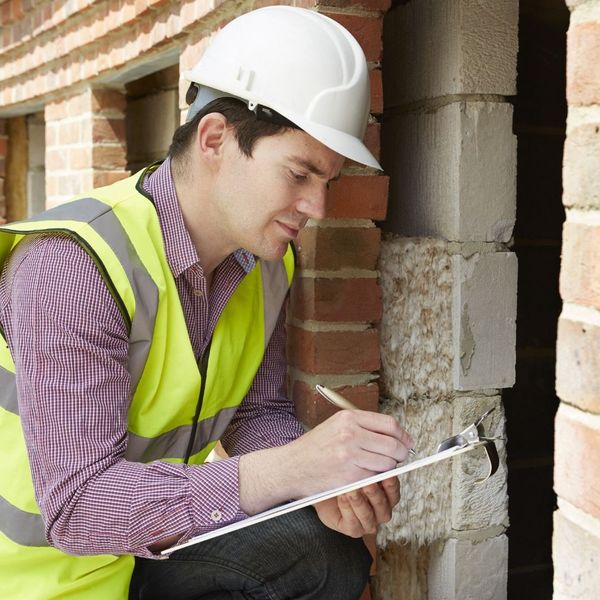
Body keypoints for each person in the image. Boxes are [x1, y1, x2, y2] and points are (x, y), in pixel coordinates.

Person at [0, 6, 413, 599]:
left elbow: (255, 414)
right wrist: (290, 470)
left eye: (330, 181)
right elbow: (79, 508)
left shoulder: (267, 265)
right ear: (215, 137)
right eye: (299, 174)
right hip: (44, 581)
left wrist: (322, 485)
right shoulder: (72, 269)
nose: (317, 208)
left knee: (325, 554)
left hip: (145, 553)